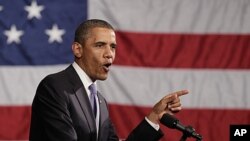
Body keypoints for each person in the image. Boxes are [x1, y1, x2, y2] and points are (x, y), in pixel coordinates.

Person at [29, 19, 189, 141]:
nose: (109, 54)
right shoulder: (55, 87)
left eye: (113, 47)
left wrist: (154, 116)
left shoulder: (99, 101)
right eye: (100, 45)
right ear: (78, 49)